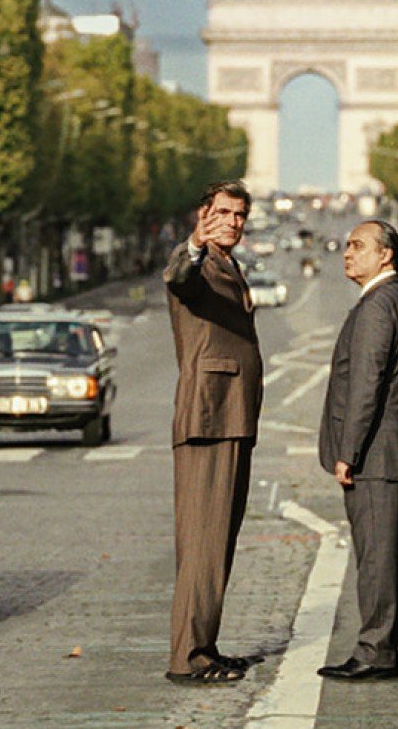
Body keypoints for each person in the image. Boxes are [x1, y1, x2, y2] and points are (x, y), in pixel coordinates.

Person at [162, 180, 264, 684]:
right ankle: (189, 656)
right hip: (210, 415)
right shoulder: (196, 262)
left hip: (230, 415)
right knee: (203, 541)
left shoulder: (229, 263)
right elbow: (180, 277)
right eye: (222, 212)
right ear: (202, 216)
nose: (233, 221)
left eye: (239, 214)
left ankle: (205, 644)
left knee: (216, 540)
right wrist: (195, 246)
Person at [317, 220, 398, 682]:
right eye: (347, 246)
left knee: (377, 559)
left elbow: (367, 386)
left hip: (376, 454)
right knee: (396, 558)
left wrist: (349, 452)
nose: (347, 253)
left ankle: (375, 650)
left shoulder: (377, 307)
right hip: (397, 448)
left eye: (358, 246)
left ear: (386, 255)